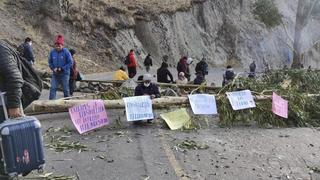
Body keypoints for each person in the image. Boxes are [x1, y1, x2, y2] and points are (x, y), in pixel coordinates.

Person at [48, 35, 73, 100]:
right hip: (55, 74)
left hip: (64, 74)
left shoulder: (66, 52)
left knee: (65, 89)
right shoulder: (52, 52)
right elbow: (50, 62)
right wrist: (53, 68)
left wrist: (62, 68)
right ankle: (51, 103)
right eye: (56, 46)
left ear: (62, 45)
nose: (58, 47)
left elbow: (70, 62)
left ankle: (67, 103)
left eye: (59, 46)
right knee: (53, 88)